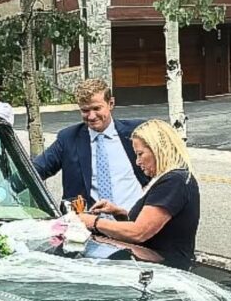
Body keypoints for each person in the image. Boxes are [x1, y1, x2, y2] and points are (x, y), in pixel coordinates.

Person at [77, 118, 199, 270]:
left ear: (158, 149)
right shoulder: (168, 180)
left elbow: (140, 232)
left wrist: (93, 222)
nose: (137, 162)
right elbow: (157, 229)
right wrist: (120, 213)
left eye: (140, 154)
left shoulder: (174, 181)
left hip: (164, 271)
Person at [30, 78, 145, 211]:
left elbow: (167, 166)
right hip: (86, 227)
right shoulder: (68, 139)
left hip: (132, 223)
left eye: (97, 108)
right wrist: (1, 192)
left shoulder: (137, 133)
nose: (91, 116)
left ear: (111, 103)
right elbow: (34, 171)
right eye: (85, 110)